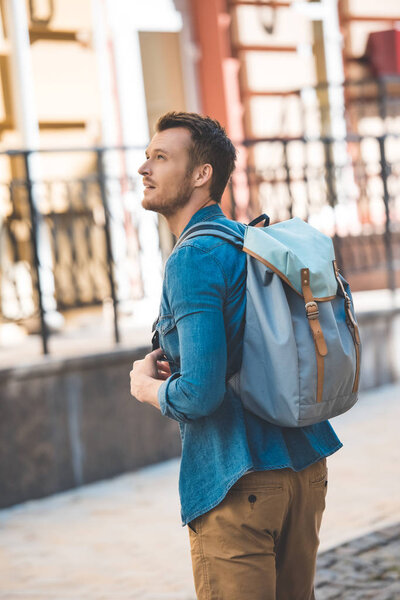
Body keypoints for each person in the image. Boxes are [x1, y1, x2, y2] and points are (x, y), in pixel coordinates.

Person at [130, 111, 342, 600]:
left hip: (238, 479)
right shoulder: (248, 243)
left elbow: (200, 395)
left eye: (160, 158)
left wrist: (149, 388)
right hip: (305, 469)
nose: (144, 169)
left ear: (202, 174)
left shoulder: (192, 258)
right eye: (146, 157)